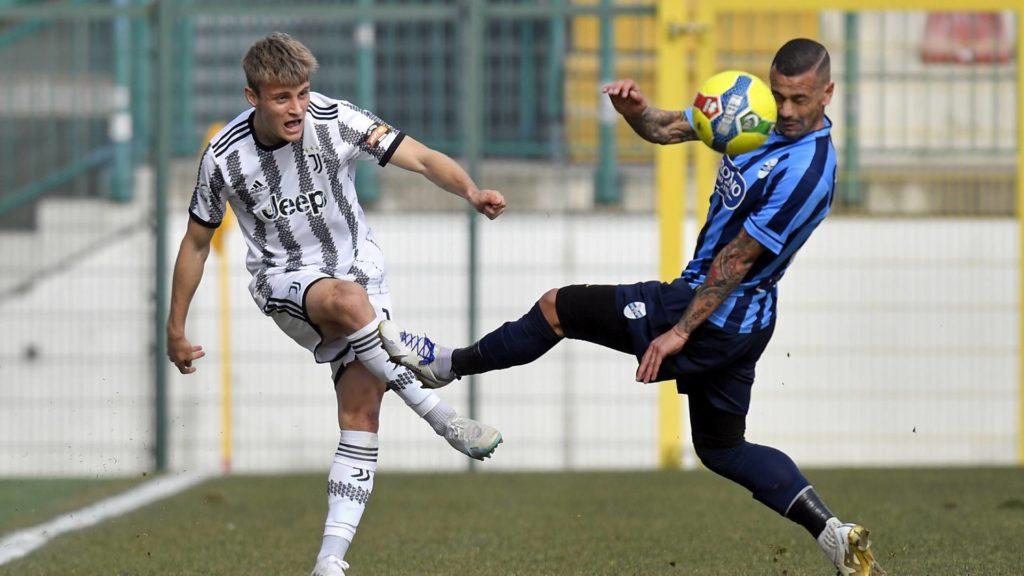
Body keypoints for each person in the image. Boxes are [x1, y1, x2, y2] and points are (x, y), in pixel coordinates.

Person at [379, 38, 886, 576]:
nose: (786, 110)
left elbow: (737, 259)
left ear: (827, 93)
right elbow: (669, 128)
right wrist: (636, 112)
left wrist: (680, 332)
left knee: (557, 308)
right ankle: (834, 533)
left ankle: (445, 365)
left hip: (707, 311)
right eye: (780, 95)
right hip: (741, 323)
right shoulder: (754, 114)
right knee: (722, 449)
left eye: (800, 99)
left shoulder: (809, 172)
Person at [166, 32, 507, 576]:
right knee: (346, 302)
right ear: (253, 96)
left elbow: (417, 155)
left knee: (360, 412)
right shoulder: (223, 158)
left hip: (362, 274)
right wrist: (175, 327)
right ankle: (439, 413)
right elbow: (197, 242)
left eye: (302, 93)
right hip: (284, 282)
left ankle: (329, 561)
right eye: (283, 98)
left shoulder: (337, 119)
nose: (297, 108)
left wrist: (470, 190)